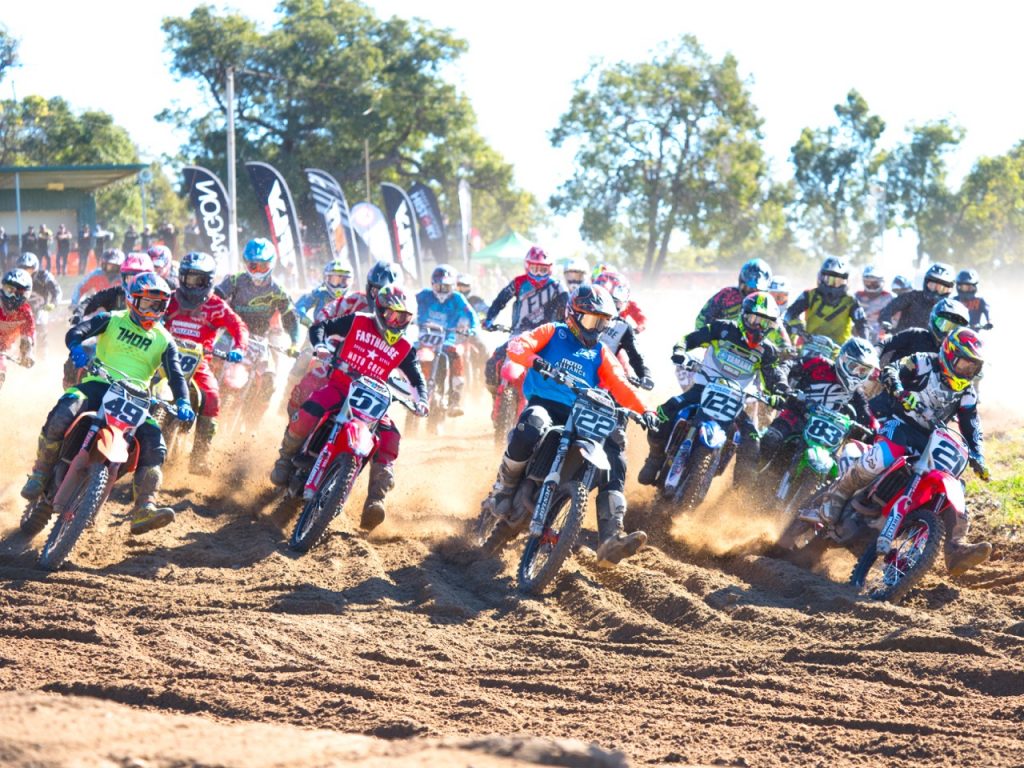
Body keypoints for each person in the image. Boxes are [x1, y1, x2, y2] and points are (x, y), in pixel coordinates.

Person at [481, 284, 657, 566]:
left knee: (615, 454)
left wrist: (646, 410)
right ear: (573, 314)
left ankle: (611, 538)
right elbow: (517, 346)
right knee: (533, 423)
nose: (596, 328)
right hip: (545, 403)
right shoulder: (552, 331)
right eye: (591, 320)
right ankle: (504, 486)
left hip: (582, 413)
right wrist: (535, 360)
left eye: (603, 322)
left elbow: (620, 385)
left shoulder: (600, 352)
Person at [20, 273, 195, 535]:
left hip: (136, 397)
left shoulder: (164, 340)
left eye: (158, 306)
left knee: (155, 444)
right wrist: (77, 348)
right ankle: (41, 473)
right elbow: (76, 332)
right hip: (99, 384)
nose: (152, 311)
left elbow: (177, 375)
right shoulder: (112, 319)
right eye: (147, 304)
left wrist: (183, 401)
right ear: (132, 300)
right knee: (65, 410)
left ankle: (144, 507)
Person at [811, 328, 991, 576]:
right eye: (963, 363)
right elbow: (892, 369)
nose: (966, 371)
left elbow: (971, 424)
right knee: (886, 455)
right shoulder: (924, 361)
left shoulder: (967, 392)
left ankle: (955, 547)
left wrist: (978, 455)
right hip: (899, 422)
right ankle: (839, 494)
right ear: (949, 354)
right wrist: (897, 388)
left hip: (929, 439)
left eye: (972, 367)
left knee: (954, 485)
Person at [270, 286, 428, 531]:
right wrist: (321, 345)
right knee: (310, 410)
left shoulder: (405, 347)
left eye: (404, 318)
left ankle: (376, 500)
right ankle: (285, 458)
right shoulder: (358, 321)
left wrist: (422, 400)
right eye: (392, 316)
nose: (396, 322)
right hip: (340, 386)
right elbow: (320, 327)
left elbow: (417, 379)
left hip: (372, 403)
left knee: (390, 437)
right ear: (380, 310)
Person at [639, 291, 788, 489]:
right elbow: (690, 339)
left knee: (752, 442)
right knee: (664, 411)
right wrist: (680, 351)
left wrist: (779, 392)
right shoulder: (722, 328)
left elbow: (774, 376)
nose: (759, 327)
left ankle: (739, 496)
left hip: (735, 401)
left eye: (766, 324)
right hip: (703, 389)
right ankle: (655, 456)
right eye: (755, 319)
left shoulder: (767, 351)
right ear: (744, 315)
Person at [163, 251, 249, 475]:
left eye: (197, 280)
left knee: (212, 396)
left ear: (209, 281)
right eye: (187, 278)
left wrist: (239, 349)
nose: (190, 285)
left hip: (199, 364)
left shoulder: (216, 306)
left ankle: (200, 456)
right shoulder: (168, 298)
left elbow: (239, 326)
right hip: (162, 357)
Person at [758, 337, 878, 482]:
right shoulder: (820, 364)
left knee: (834, 475)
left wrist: (876, 435)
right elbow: (788, 365)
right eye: (854, 367)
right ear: (843, 359)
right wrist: (784, 387)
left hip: (825, 437)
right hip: (796, 416)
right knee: (771, 439)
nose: (857, 374)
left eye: (863, 371)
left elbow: (868, 417)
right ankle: (751, 476)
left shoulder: (857, 393)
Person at [215, 238, 301, 423]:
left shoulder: (278, 290)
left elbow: (291, 317)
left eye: (263, 266)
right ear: (245, 263)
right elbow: (214, 298)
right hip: (231, 333)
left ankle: (252, 424)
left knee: (269, 382)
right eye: (253, 266)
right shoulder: (235, 280)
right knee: (208, 362)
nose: (257, 271)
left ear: (272, 264)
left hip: (261, 340)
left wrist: (294, 342)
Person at [481, 246, 570, 394]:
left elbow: (567, 311)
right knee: (493, 363)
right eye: (534, 269)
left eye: (543, 270)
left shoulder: (558, 287)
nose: (538, 274)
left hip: (546, 337)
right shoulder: (518, 282)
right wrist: (489, 319)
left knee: (558, 372)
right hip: (519, 334)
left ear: (550, 269)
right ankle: (495, 394)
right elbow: (500, 300)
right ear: (527, 266)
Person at [872, 298, 970, 419]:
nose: (947, 333)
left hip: (923, 411)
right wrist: (873, 360)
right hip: (891, 393)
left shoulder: (956, 357)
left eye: (954, 329)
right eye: (944, 325)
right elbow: (884, 344)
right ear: (933, 319)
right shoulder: (915, 334)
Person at [415, 264, 478, 416]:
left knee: (456, 355)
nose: (442, 290)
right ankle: (410, 387)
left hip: (447, 338)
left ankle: (454, 399)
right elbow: (408, 303)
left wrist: (473, 328)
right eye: (439, 286)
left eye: (446, 287)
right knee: (410, 354)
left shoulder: (457, 298)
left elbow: (471, 314)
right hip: (425, 337)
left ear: (453, 286)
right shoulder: (424, 295)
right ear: (432, 284)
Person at [784, 256, 867, 345]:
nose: (833, 285)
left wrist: (866, 343)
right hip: (811, 345)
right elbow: (790, 313)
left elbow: (862, 325)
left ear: (846, 281)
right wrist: (799, 327)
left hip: (839, 351)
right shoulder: (809, 294)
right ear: (821, 277)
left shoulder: (851, 301)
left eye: (838, 281)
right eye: (830, 280)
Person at [695, 258, 772, 330]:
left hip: (755, 343)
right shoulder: (726, 296)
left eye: (758, 290)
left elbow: (776, 330)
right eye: (749, 288)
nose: (753, 293)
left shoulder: (769, 304)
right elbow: (702, 319)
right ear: (741, 283)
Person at [878, 262, 955, 334]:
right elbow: (890, 308)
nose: (936, 292)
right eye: (933, 286)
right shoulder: (913, 297)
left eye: (942, 289)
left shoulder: (951, 308)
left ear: (949, 290)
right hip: (903, 343)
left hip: (934, 346)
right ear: (926, 283)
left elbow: (962, 326)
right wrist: (886, 321)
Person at [75, 252, 154, 320]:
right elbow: (91, 301)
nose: (135, 284)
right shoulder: (117, 292)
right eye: (130, 278)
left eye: (140, 279)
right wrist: (78, 314)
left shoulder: (159, 297)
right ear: (123, 278)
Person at [0, 269, 36, 374]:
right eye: (8, 290)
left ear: (25, 294)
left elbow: (27, 338)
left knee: (1, 369)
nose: (11, 297)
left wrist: (27, 354)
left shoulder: (26, 313)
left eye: (18, 293)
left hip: (3, 349)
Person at [70, 248, 125, 314]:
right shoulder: (96, 274)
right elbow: (80, 287)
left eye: (113, 267)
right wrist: (74, 303)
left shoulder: (125, 278)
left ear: (121, 266)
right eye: (106, 265)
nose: (109, 269)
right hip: (100, 310)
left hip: (120, 311)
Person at [855, 264, 893, 341]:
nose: (871, 287)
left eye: (875, 283)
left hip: (881, 337)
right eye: (868, 283)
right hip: (860, 336)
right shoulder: (857, 296)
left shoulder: (889, 297)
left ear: (881, 282)